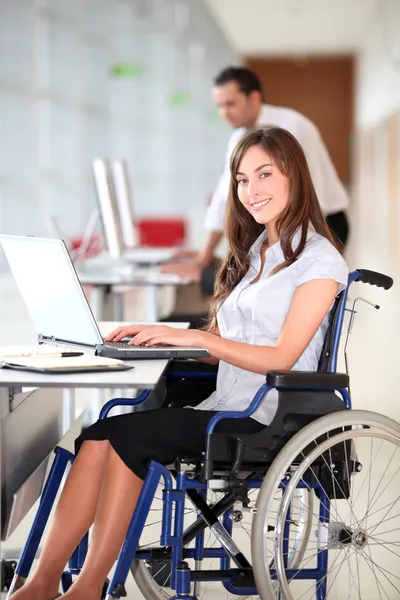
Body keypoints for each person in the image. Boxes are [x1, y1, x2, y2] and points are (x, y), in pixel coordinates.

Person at [12, 127, 348, 600]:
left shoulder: (318, 260)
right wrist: (161, 339)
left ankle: (88, 587)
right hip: (225, 399)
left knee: (129, 437)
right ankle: (43, 582)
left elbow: (282, 357)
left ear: (296, 175)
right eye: (241, 179)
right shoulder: (259, 252)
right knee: (96, 436)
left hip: (264, 415)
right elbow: (234, 341)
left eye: (265, 175)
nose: (251, 191)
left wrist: (195, 338)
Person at [163, 66, 350, 283]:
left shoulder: (292, 127)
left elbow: (308, 191)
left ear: (254, 98)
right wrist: (203, 257)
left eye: (230, 104)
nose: (224, 113)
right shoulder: (239, 138)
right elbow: (224, 197)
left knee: (305, 290)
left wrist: (295, 250)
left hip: (322, 221)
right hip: (278, 227)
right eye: (219, 106)